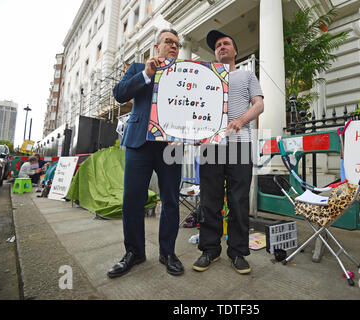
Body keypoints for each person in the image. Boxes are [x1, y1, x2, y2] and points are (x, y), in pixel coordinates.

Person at [108, 29, 184, 278]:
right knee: (132, 200)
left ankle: (168, 252)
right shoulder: (138, 68)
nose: (173, 46)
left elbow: (192, 110)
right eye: (168, 42)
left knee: (171, 200)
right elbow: (120, 94)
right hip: (139, 142)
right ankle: (134, 252)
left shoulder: (184, 74)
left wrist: (184, 136)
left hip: (170, 146)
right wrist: (146, 74)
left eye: (177, 44)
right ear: (156, 47)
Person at [192, 30, 264, 274]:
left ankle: (238, 252)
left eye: (226, 43)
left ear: (235, 51)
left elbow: (259, 104)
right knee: (210, 200)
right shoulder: (205, 78)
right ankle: (210, 250)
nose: (221, 47)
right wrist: (193, 135)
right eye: (218, 46)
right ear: (215, 53)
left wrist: (240, 121)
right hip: (210, 145)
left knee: (238, 200)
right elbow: (194, 110)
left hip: (240, 144)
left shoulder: (246, 75)